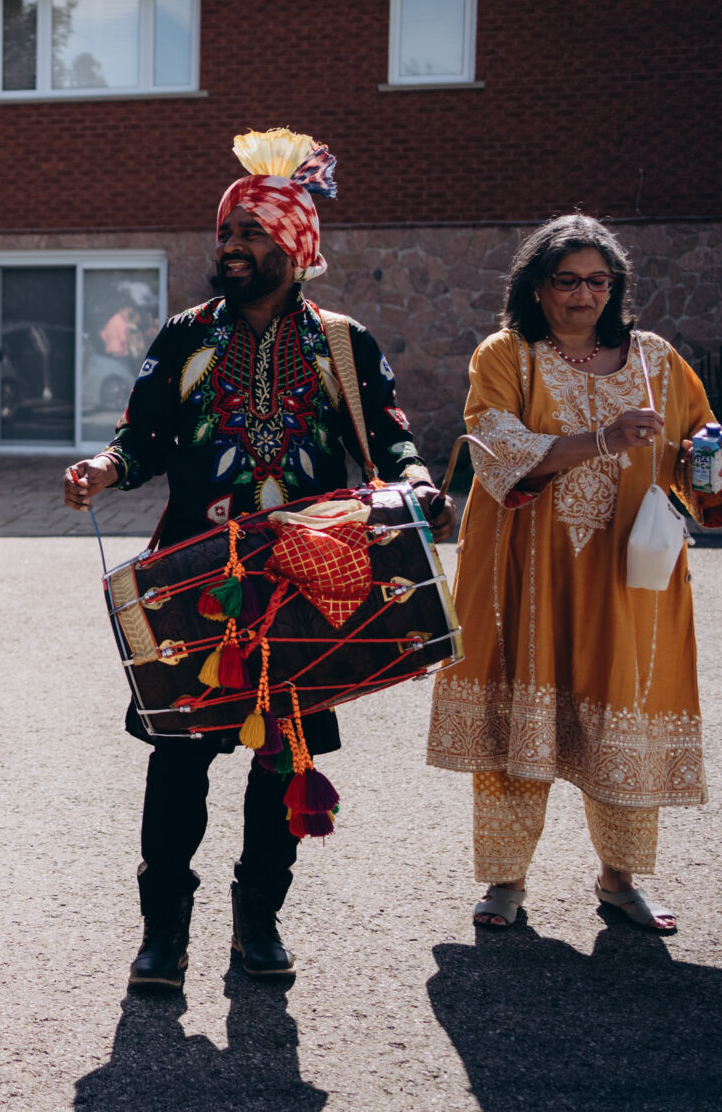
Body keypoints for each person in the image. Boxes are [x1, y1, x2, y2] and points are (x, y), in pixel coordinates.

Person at [64, 129, 455, 990]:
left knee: (284, 757)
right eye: (226, 233)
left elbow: (389, 440)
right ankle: (163, 932)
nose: (232, 246)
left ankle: (259, 922)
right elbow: (142, 437)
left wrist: (420, 483)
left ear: (296, 244)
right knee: (178, 758)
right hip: (198, 582)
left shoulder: (343, 344)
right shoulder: (183, 336)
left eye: (252, 233)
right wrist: (104, 468)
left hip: (310, 579)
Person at [426, 215, 720, 934]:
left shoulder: (655, 360)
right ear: (537, 286)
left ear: (615, 286)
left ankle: (620, 880)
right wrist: (604, 438)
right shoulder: (508, 356)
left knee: (623, 710)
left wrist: (704, 455)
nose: (584, 295)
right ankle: (505, 880)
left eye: (598, 281)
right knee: (519, 718)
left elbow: (695, 449)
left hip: (627, 575)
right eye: (568, 280)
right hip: (525, 573)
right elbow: (498, 448)